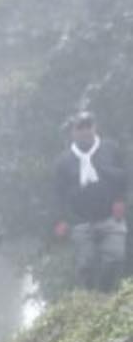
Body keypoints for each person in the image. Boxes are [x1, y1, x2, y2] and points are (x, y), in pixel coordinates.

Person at [54, 110, 127, 291]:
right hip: (81, 222)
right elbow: (58, 194)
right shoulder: (63, 161)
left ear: (95, 127)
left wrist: (121, 200)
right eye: (81, 128)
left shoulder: (111, 148)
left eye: (89, 126)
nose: (86, 131)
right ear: (73, 132)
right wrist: (60, 220)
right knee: (85, 265)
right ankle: (89, 300)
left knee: (115, 258)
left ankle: (105, 296)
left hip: (111, 218)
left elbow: (125, 177)